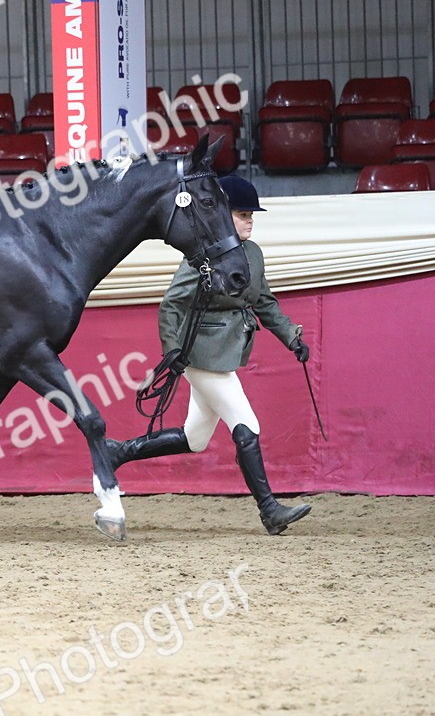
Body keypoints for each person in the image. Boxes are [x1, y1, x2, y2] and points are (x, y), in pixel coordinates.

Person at [108, 174, 312, 535]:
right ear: (222, 215)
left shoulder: (252, 254)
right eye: (242, 214)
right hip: (200, 354)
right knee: (247, 424)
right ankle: (269, 511)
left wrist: (291, 337)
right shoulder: (204, 255)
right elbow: (172, 304)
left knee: (195, 438)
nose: (250, 220)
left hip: (227, 351)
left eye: (252, 215)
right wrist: (171, 349)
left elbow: (263, 301)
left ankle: (118, 453)